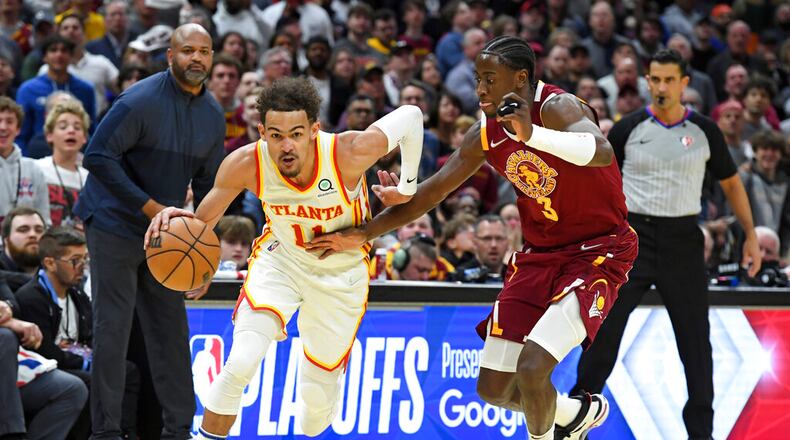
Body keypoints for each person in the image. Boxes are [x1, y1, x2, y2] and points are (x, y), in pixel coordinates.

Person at [308, 35, 638, 440]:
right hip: (541, 253)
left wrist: (531, 135)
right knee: (493, 388)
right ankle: (573, 413)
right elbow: (431, 192)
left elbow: (601, 150)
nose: (479, 88)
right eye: (477, 79)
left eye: (488, 79)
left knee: (534, 369)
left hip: (598, 250)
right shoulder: (486, 132)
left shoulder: (557, 107)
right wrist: (364, 232)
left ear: (520, 78)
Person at [143, 76, 423, 439]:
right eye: (275, 135)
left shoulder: (348, 152)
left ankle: (326, 387)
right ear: (262, 132)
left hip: (341, 274)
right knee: (240, 361)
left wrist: (407, 187)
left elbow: (412, 116)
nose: (286, 145)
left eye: (295, 133)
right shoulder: (246, 163)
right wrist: (177, 223)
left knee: (313, 416)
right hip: (282, 261)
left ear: (314, 129)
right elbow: (200, 228)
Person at [571, 49, 761, 440]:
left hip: (683, 242)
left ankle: (701, 434)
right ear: (647, 81)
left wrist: (752, 237)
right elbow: (598, 186)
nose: (660, 87)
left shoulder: (706, 131)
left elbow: (732, 184)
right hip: (631, 241)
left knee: (696, 346)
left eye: (668, 80)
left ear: (683, 83)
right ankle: (575, 422)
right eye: (654, 79)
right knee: (602, 337)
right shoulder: (627, 129)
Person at [73, 24, 225, 440]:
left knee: (171, 332)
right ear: (169, 56)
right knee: (113, 328)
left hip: (169, 235)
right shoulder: (138, 100)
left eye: (204, 52)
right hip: (113, 223)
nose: (197, 58)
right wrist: (155, 209)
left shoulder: (213, 116)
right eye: (187, 50)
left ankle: (179, 431)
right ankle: (104, 432)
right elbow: (97, 157)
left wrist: (206, 255)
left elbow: (211, 185)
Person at [35, 99, 90, 228]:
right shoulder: (37, 169)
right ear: (49, 135)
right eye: (63, 126)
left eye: (77, 127)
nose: (71, 131)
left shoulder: (90, 179)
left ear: (84, 138)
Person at [0, 97, 50, 225]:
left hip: (26, 242)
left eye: (9, 121)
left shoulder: (33, 169)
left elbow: (44, 219)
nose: (3, 127)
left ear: (18, 129)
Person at [1, 206, 47, 278]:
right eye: (23, 230)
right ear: (6, 239)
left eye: (39, 230)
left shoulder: (56, 275)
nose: (33, 234)